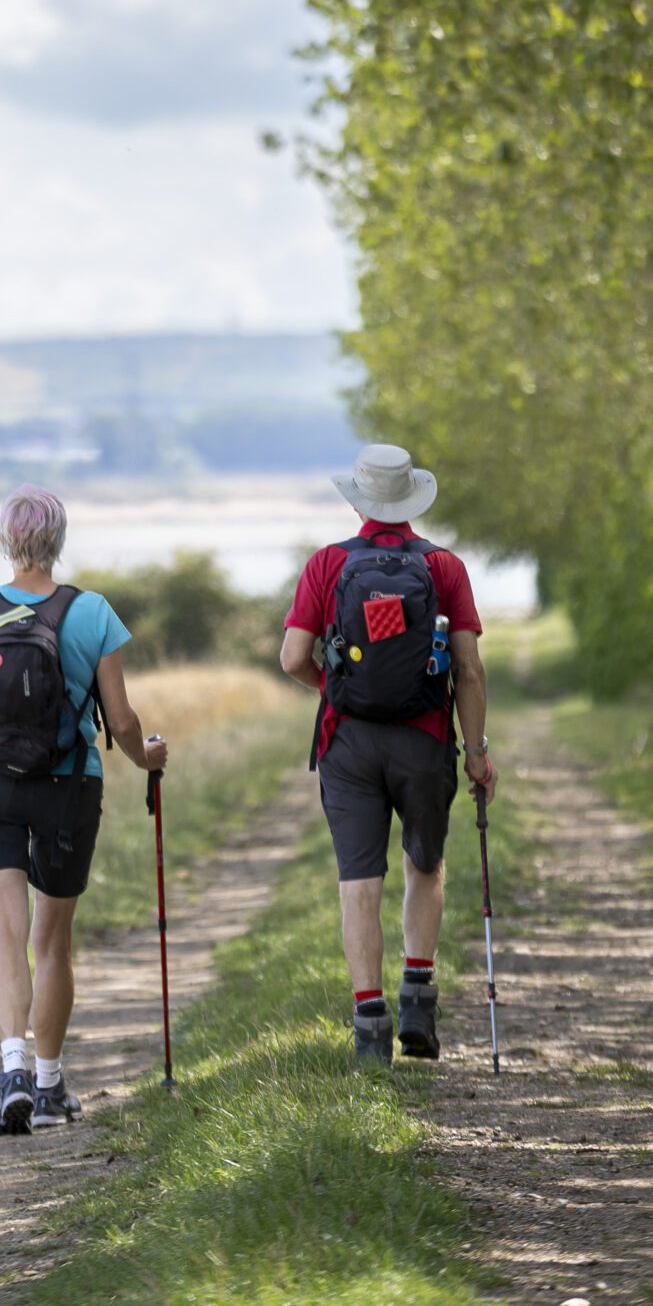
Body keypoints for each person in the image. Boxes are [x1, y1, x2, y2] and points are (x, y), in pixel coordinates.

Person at [0, 484, 169, 1135]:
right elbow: (119, 721)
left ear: (6, 541)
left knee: (4, 927)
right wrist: (148, 757)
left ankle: (12, 1071)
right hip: (67, 787)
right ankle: (51, 1081)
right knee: (52, 939)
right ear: (57, 543)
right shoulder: (93, 614)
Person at [279, 444, 497, 1064]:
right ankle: (418, 1001)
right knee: (423, 866)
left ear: (361, 499)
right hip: (425, 737)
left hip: (346, 743)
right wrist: (476, 752)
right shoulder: (444, 567)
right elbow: (470, 669)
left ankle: (370, 1025)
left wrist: (337, 690)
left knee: (359, 880)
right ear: (410, 499)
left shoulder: (327, 565)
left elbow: (294, 657)